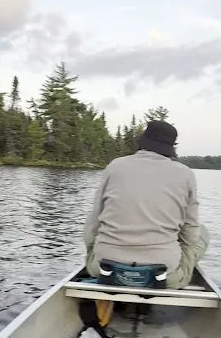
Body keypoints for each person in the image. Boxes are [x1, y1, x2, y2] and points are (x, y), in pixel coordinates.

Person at [84, 120, 209, 289]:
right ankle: (172, 270)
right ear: (170, 148)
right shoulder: (185, 174)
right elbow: (191, 234)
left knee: (92, 231)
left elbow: (94, 222)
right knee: (202, 233)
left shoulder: (115, 166)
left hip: (105, 269)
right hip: (162, 274)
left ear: (143, 142)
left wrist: (95, 248)